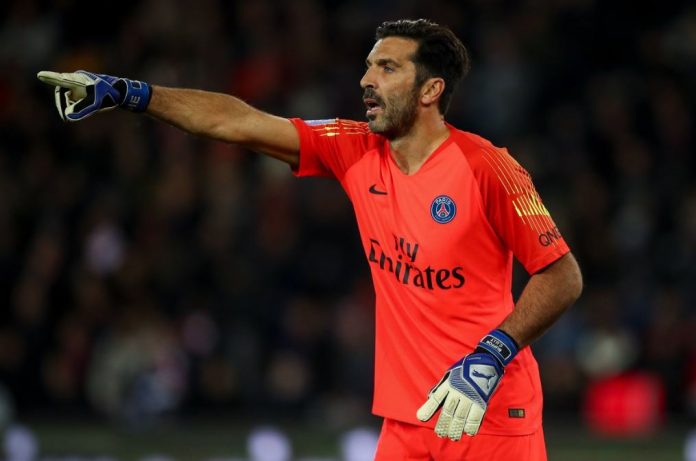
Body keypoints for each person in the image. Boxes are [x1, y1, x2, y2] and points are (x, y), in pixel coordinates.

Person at [38, 18, 582, 461]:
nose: (366, 79)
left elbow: (562, 274)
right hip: (408, 419)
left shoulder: (487, 168)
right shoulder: (354, 148)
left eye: (387, 67)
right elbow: (237, 122)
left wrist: (491, 355)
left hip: (488, 411)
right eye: (368, 65)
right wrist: (131, 93)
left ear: (430, 90)